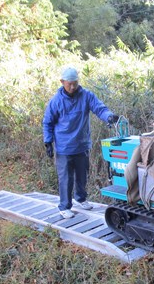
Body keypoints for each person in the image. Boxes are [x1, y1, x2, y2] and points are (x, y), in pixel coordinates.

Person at [42, 66, 119, 219]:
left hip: (81, 144)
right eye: (69, 83)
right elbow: (47, 122)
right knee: (66, 178)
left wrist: (109, 116)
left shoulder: (86, 96)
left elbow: (99, 108)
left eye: (75, 83)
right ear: (62, 82)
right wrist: (48, 142)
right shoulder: (56, 101)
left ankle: (81, 199)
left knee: (82, 175)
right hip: (64, 147)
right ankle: (64, 207)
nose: (72, 86)